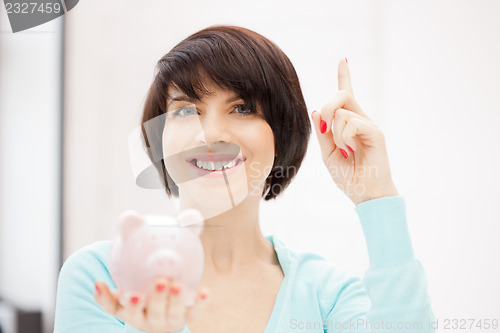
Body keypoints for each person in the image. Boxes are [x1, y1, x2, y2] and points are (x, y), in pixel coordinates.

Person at [54, 25, 436, 333]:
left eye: (242, 107)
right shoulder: (104, 275)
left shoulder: (326, 296)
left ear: (281, 133)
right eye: (186, 110)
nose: (211, 134)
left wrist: (376, 194)